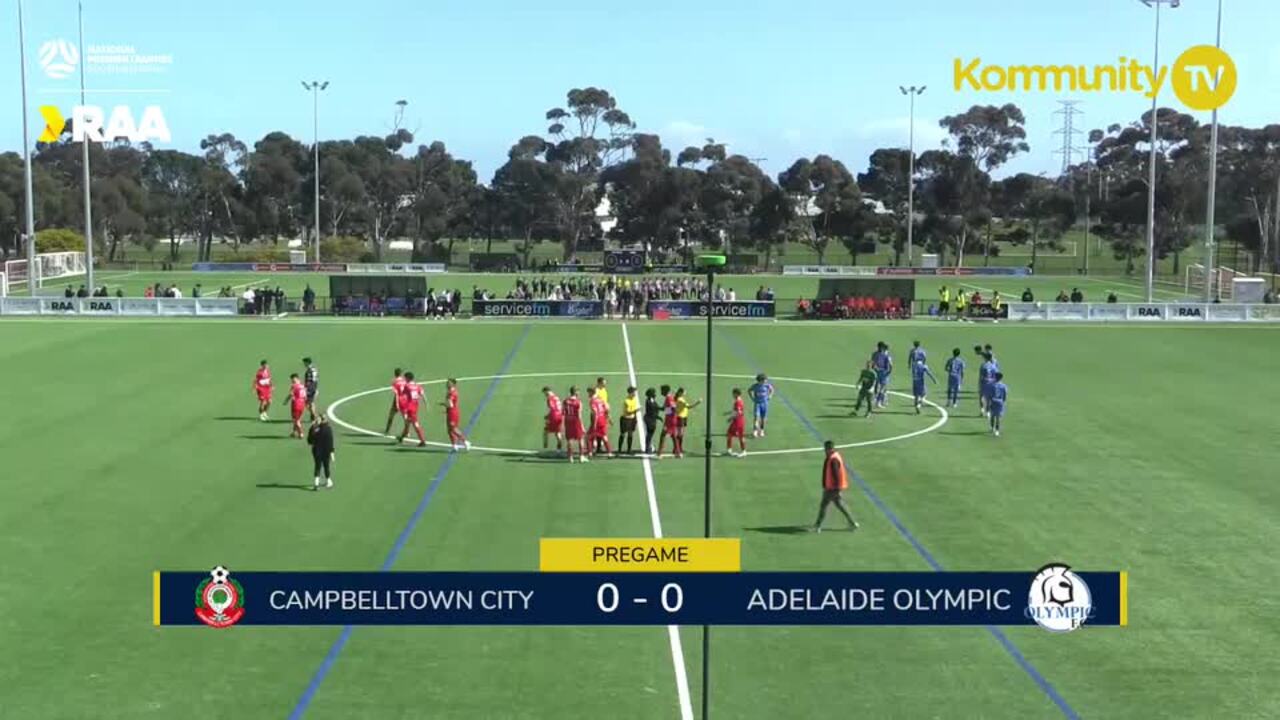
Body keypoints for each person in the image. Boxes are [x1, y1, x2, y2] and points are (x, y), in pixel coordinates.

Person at [813, 440, 859, 533]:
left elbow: (837, 475)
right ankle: (853, 523)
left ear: (829, 449)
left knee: (824, 505)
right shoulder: (834, 456)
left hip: (832, 488)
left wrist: (836, 489)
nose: (825, 451)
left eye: (826, 449)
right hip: (832, 487)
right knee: (839, 505)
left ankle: (818, 525)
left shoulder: (833, 459)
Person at [396, 372, 427, 447]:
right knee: (407, 423)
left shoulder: (407, 386)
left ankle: (422, 441)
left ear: (408, 378)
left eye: (405, 378)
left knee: (415, 424)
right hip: (415, 407)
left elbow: (403, 396)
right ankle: (401, 437)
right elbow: (422, 394)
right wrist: (426, 403)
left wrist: (401, 405)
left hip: (410, 408)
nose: (404, 379)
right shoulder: (417, 385)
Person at [307, 414, 335, 490]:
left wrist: (312, 429)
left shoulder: (314, 428)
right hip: (326, 451)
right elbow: (330, 441)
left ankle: (316, 483)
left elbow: (309, 441)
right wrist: (332, 452)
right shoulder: (328, 429)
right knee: (326, 466)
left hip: (316, 450)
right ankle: (328, 481)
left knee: (317, 466)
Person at [440, 379, 470, 451]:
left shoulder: (452, 393)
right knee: (449, 430)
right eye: (447, 383)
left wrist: (443, 404)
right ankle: (454, 445)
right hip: (451, 412)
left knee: (453, 429)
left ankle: (465, 442)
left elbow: (450, 404)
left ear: (453, 384)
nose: (447, 384)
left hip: (453, 412)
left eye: (448, 383)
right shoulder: (450, 392)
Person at [673, 388, 701, 459]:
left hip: (683, 417)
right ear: (680, 392)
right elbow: (689, 407)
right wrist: (698, 402)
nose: (685, 393)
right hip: (680, 417)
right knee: (680, 434)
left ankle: (678, 448)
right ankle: (678, 449)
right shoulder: (680, 400)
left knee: (681, 434)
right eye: (684, 392)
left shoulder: (680, 398)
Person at [586, 387, 613, 458]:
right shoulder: (600, 399)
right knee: (604, 436)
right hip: (603, 419)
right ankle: (609, 452)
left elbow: (595, 412)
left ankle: (590, 453)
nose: (588, 394)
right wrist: (609, 419)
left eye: (588, 392)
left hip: (597, 420)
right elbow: (607, 408)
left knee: (588, 436)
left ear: (591, 392)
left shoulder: (592, 401)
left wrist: (594, 424)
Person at [654, 385, 679, 460]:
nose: (661, 392)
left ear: (665, 391)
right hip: (672, 420)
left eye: (662, 390)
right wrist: (657, 407)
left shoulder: (668, 398)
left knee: (663, 436)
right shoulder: (669, 397)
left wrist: (669, 413)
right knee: (673, 436)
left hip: (670, 421)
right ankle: (677, 452)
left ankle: (660, 453)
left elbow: (673, 408)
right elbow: (665, 408)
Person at [563, 387, 586, 462]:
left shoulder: (565, 401)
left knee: (569, 439)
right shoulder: (578, 402)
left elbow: (563, 412)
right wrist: (582, 425)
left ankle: (570, 457)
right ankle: (581, 456)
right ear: (575, 392)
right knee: (580, 438)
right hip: (576, 420)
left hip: (568, 420)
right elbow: (579, 415)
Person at [542, 386, 565, 454]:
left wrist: (548, 416)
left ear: (547, 391)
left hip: (554, 416)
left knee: (545, 431)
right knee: (557, 432)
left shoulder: (549, 399)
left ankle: (545, 446)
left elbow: (553, 408)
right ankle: (559, 449)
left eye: (544, 393)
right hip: (560, 416)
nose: (545, 395)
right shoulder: (557, 397)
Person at [725, 388, 747, 457]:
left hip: (737, 421)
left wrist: (730, 418)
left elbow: (738, 412)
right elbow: (737, 410)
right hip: (739, 421)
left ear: (736, 394)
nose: (733, 395)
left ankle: (743, 451)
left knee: (734, 435)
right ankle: (730, 450)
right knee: (730, 434)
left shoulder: (737, 402)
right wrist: (728, 412)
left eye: (733, 393)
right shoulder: (740, 401)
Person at [618, 386, 639, 455]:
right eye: (634, 392)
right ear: (630, 393)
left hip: (632, 419)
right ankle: (619, 449)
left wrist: (635, 418)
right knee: (623, 434)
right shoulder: (626, 401)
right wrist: (636, 410)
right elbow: (627, 412)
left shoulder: (634, 399)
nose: (635, 394)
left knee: (630, 434)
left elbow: (634, 410)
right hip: (625, 419)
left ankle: (629, 450)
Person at [871, 342, 893, 408]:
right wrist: (889, 371)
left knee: (878, 386)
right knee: (882, 387)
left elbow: (872, 364)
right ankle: (878, 402)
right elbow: (890, 365)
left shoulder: (874, 354)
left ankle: (878, 399)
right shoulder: (885, 355)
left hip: (877, 372)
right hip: (883, 372)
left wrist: (875, 370)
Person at [285, 374, 307, 439]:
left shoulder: (294, 386)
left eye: (293, 379)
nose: (292, 380)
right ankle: (294, 432)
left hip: (296, 404)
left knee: (296, 420)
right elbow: (305, 396)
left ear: (296, 378)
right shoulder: (302, 385)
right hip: (302, 404)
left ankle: (301, 433)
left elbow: (290, 394)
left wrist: (286, 401)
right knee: (297, 419)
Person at [386, 369, 407, 434]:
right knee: (405, 416)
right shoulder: (405, 381)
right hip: (405, 399)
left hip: (398, 400)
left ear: (395, 374)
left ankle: (387, 430)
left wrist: (397, 403)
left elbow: (396, 393)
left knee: (391, 414)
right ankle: (407, 431)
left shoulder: (394, 381)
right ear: (401, 374)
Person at [593, 377, 610, 454]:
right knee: (597, 429)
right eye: (603, 383)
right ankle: (596, 444)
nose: (605, 384)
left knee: (603, 428)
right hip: (598, 413)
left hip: (604, 412)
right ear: (599, 383)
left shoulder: (603, 389)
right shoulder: (596, 390)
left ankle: (599, 445)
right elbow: (594, 399)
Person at [989, 372, 1009, 437]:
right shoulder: (1004, 386)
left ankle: (992, 428)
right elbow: (1005, 395)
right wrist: (1003, 402)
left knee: (992, 415)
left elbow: (990, 395)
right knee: (998, 418)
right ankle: (997, 431)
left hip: (993, 401)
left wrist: (990, 401)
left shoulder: (992, 385)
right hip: (1000, 402)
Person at [978, 352, 998, 417]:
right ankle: (988, 412)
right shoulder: (993, 366)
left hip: (984, 383)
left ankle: (982, 410)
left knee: (981, 396)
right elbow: (995, 376)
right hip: (991, 383)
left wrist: (979, 384)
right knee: (989, 398)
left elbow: (981, 376)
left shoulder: (983, 365)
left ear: (985, 358)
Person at [642, 388, 661, 455]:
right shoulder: (649, 401)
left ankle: (648, 447)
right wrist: (658, 417)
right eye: (654, 393)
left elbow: (657, 408)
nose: (655, 394)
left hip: (652, 419)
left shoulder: (652, 400)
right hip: (650, 420)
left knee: (650, 434)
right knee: (649, 434)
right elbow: (653, 410)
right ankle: (647, 448)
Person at [302, 357, 319, 422]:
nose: (304, 364)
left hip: (310, 389)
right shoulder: (314, 369)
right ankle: (313, 416)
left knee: (307, 403)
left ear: (307, 362)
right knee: (311, 403)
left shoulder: (309, 371)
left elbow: (309, 381)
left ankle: (315, 416)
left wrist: (305, 389)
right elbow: (315, 380)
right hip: (314, 388)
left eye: (304, 363)